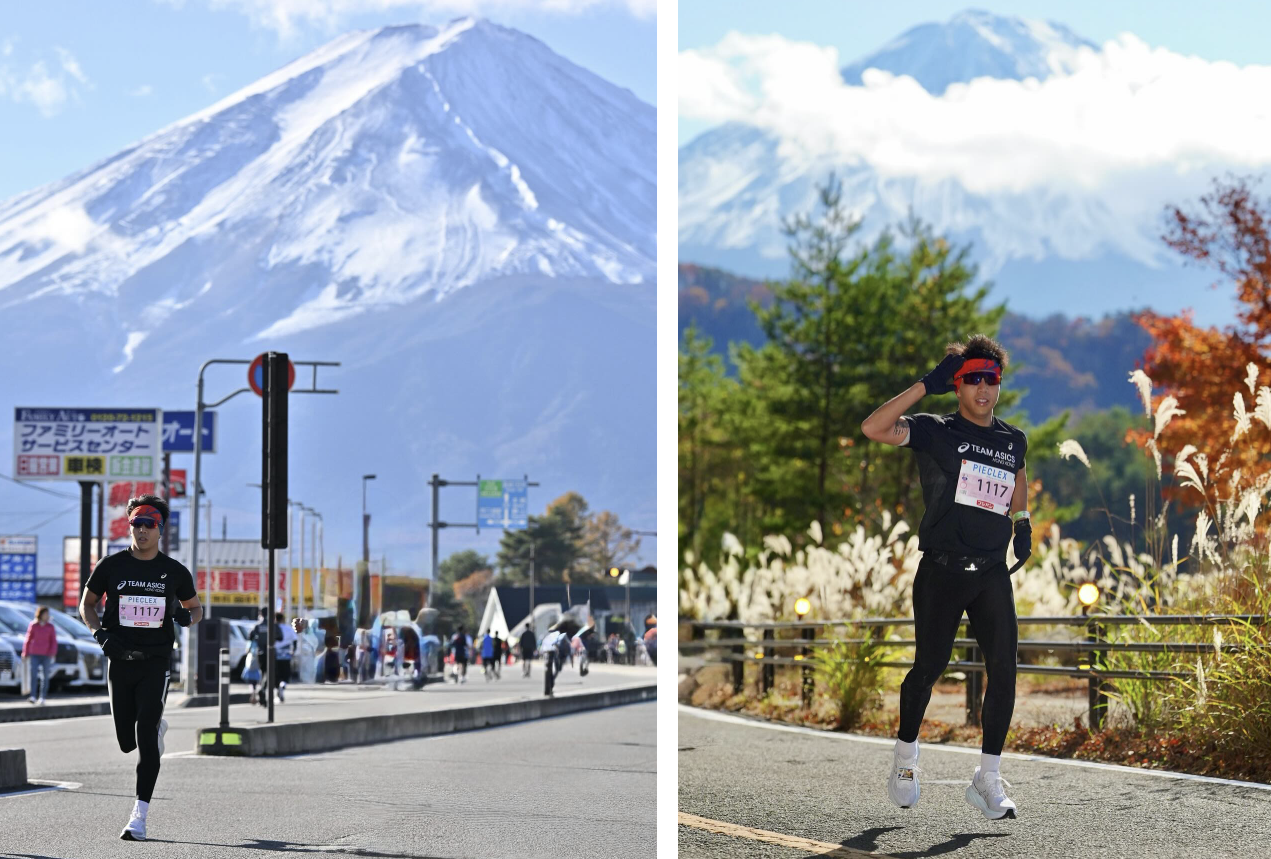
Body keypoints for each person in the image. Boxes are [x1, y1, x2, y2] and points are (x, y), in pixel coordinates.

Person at [861, 335, 1029, 821]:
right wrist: (923, 386)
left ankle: (988, 779)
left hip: (992, 573)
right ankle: (906, 759)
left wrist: (1023, 522)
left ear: (999, 384)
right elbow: (874, 427)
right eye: (972, 378)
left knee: (1005, 671)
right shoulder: (936, 430)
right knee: (927, 670)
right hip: (941, 571)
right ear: (956, 384)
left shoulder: (1012, 438)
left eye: (991, 379)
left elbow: (1018, 476)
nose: (982, 388)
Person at [79, 494, 200, 841]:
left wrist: (184, 617)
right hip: (120, 661)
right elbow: (86, 605)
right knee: (125, 742)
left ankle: (139, 817)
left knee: (144, 736)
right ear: (130, 526)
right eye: (136, 523)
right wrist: (99, 633)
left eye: (150, 523)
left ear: (160, 529)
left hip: (155, 663)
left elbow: (196, 609)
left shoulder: (175, 572)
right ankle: (156, 728)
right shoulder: (111, 565)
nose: (142, 530)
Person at [21, 605, 57, 705]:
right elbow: (28, 639)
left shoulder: (50, 626)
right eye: (45, 614)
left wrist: (52, 653)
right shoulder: (33, 625)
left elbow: (53, 641)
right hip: (34, 653)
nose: (46, 616)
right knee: (33, 675)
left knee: (45, 676)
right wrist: (25, 652)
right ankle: (32, 696)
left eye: (47, 614)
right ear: (40, 614)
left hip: (46, 654)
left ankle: (42, 697)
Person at [274, 612, 296, 701]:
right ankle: (282, 686)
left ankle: (277, 688)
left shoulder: (273, 629)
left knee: (276, 675)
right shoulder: (288, 629)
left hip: (275, 655)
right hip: (286, 655)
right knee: (285, 674)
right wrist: (293, 651)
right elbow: (295, 641)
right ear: (283, 619)